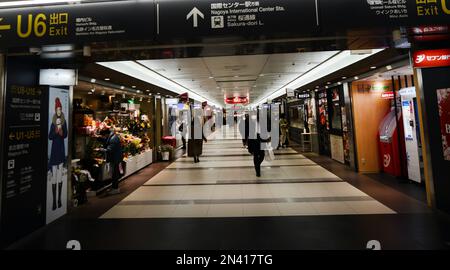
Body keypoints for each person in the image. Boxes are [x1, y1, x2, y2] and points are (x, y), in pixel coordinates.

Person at [48, 97, 68, 210]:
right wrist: (56, 131)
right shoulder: (52, 123)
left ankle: (59, 200)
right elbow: (50, 137)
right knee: (54, 174)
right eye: (57, 109)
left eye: (60, 109)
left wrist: (61, 131)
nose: (59, 111)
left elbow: (65, 135)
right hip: (54, 150)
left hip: (61, 150)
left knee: (59, 174)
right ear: (55, 110)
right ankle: (54, 202)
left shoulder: (64, 123)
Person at [98, 127, 123, 195]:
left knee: (115, 174)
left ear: (106, 134)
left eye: (103, 135)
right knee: (114, 173)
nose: (103, 137)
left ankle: (115, 189)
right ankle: (114, 187)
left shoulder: (113, 139)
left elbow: (110, 149)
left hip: (115, 158)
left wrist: (101, 149)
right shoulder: (112, 137)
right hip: (116, 158)